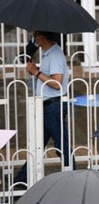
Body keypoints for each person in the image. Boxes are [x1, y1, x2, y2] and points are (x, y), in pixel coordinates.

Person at [14, 31, 71, 184]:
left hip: (54, 106)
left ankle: (73, 175)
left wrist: (36, 72)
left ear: (41, 37)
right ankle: (23, 178)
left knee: (62, 144)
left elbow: (57, 83)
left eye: (35, 35)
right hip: (47, 105)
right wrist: (35, 69)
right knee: (38, 143)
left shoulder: (55, 55)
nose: (33, 38)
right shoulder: (47, 53)